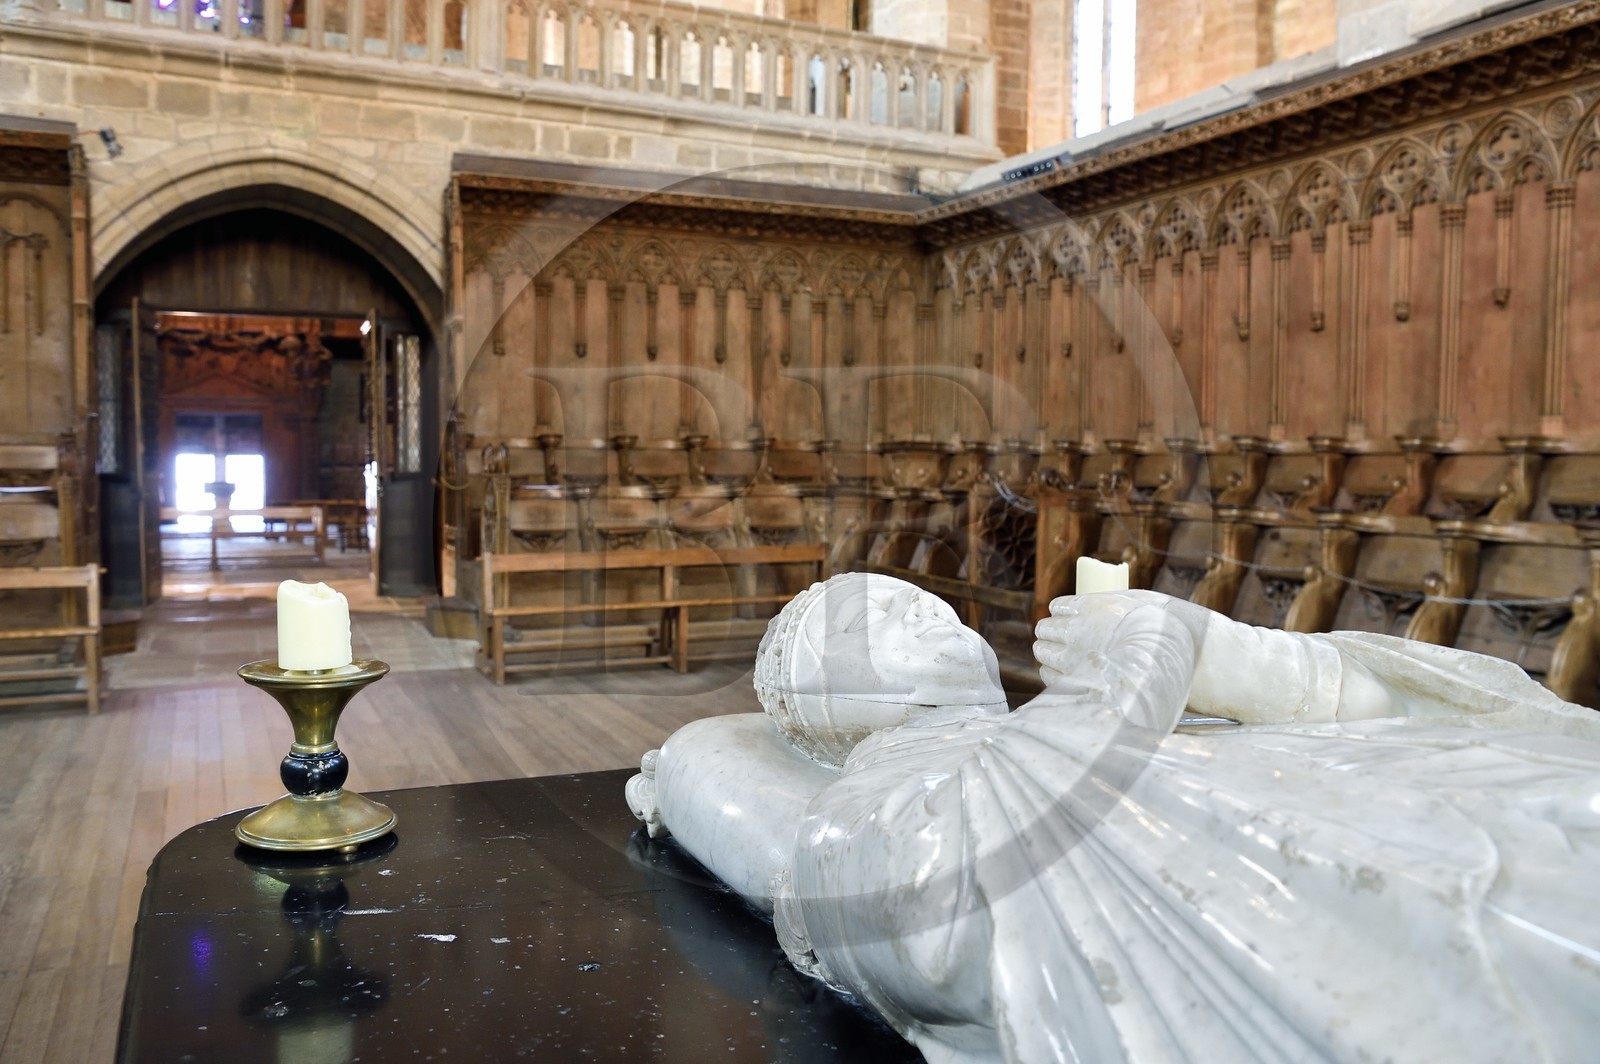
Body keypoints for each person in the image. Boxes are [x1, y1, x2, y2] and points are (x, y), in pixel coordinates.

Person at [627, 574, 1600, 1064]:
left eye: (924, 603)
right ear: (824, 704)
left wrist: (1237, 662)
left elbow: (1412, 713)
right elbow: (985, 837)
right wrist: (1155, 638)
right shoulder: (874, 811)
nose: (936, 615)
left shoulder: (1083, 726)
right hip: (1381, 924)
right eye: (877, 616)